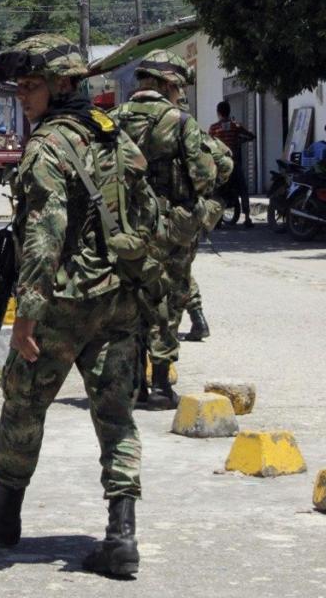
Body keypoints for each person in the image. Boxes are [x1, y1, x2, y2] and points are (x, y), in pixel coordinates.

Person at [0, 34, 150, 577]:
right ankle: (122, 535)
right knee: (116, 415)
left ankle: (5, 511)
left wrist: (27, 317)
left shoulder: (46, 146)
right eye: (18, 86)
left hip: (65, 300)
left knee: (23, 398)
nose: (23, 96)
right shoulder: (115, 135)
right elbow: (146, 211)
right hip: (119, 296)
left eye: (32, 85)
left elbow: (43, 234)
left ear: (63, 84)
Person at [109, 49, 218, 408]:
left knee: (131, 303)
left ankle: (134, 384)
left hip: (123, 227)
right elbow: (203, 176)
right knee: (168, 302)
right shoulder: (179, 121)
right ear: (166, 84)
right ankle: (160, 385)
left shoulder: (112, 120)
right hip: (170, 229)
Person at [209, 100, 255, 227]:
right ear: (229, 112)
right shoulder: (236, 126)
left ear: (218, 113)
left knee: (217, 191)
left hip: (220, 166)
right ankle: (247, 218)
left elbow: (208, 143)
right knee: (243, 189)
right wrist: (239, 141)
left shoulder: (214, 128)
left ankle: (217, 221)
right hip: (235, 164)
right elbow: (251, 136)